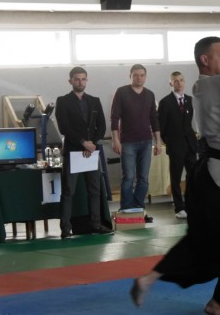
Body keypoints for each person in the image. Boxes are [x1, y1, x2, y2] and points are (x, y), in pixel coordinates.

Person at [130, 37, 220, 315]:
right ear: (205, 60)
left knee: (207, 237)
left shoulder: (201, 86)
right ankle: (218, 301)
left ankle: (150, 278)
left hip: (212, 172)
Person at [55, 67, 112, 239]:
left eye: (83, 79)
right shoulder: (63, 101)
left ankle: (96, 224)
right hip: (73, 151)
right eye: (77, 79)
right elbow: (64, 127)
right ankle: (66, 229)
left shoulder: (94, 101)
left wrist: (92, 144)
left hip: (91, 151)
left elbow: (101, 125)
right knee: (68, 192)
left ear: (87, 80)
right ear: (70, 81)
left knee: (94, 190)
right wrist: (83, 143)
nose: (80, 82)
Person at [111, 64, 161, 218]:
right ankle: (126, 210)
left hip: (146, 142)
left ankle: (138, 209)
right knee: (128, 177)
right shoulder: (122, 92)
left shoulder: (150, 94)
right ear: (130, 76)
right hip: (127, 142)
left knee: (143, 179)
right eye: (135, 75)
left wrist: (158, 142)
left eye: (141, 75)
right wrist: (115, 140)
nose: (139, 78)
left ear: (145, 77)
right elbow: (114, 117)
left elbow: (154, 119)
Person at [158, 71, 198, 219]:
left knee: (193, 176)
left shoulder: (189, 100)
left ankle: (191, 204)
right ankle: (179, 208)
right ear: (171, 83)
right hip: (175, 147)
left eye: (181, 80)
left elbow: (189, 122)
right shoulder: (165, 102)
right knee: (175, 178)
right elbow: (161, 127)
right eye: (176, 81)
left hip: (190, 145)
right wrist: (170, 142)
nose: (179, 83)